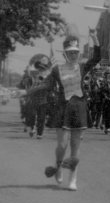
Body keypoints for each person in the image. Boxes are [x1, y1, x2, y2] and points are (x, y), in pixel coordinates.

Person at [41, 31, 100, 190]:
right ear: (65, 54)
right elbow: (47, 86)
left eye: (75, 52)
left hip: (79, 108)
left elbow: (97, 58)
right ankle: (58, 166)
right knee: (62, 145)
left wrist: (95, 39)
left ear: (78, 53)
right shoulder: (56, 70)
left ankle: (73, 178)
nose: (73, 55)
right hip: (62, 109)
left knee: (75, 145)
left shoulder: (82, 67)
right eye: (70, 53)